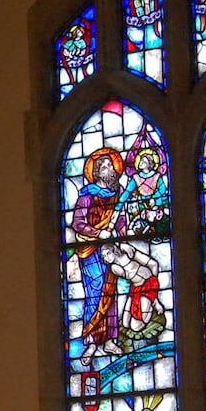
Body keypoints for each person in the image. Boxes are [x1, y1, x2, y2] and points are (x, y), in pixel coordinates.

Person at [70, 148, 125, 360]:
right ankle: (91, 341)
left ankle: (110, 340)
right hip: (90, 251)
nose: (109, 169)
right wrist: (97, 232)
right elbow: (77, 223)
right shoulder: (87, 195)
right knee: (94, 293)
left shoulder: (118, 194)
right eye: (104, 167)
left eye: (111, 165)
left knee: (111, 293)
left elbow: (119, 220)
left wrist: (121, 235)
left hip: (110, 249)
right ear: (96, 172)